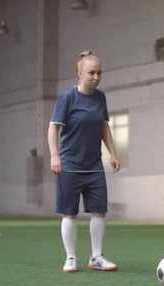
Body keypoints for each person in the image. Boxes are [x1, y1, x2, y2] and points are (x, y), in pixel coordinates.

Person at [48, 50, 120, 273]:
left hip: (94, 165)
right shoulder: (67, 97)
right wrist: (54, 155)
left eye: (99, 73)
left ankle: (96, 257)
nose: (96, 77)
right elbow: (53, 127)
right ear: (79, 73)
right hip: (70, 164)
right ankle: (70, 258)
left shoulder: (100, 98)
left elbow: (103, 127)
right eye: (91, 73)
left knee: (99, 210)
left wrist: (113, 153)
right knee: (70, 212)